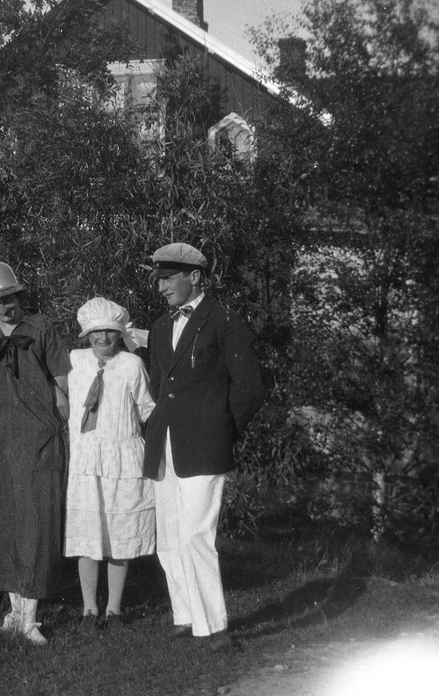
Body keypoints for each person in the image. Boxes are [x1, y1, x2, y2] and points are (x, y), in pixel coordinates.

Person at [141, 242, 267, 652]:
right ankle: (186, 616)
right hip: (165, 443)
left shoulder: (224, 320)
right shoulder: (160, 326)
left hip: (205, 444)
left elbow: (250, 388)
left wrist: (223, 430)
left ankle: (215, 627)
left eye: (168, 278)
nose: (161, 287)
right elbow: (159, 386)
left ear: (195, 277)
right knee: (169, 536)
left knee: (196, 534)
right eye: (158, 280)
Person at [0, 262, 70, 645]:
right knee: (4, 524)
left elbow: (64, 385)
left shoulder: (41, 328)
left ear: (18, 295)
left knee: (35, 526)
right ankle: (14, 612)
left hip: (37, 440)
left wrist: (58, 409)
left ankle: (30, 617)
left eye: (7, 299)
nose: (3, 309)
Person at [65, 296, 156, 633]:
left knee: (121, 533)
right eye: (96, 332)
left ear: (119, 333)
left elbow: (147, 409)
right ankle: (89, 609)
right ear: (86, 334)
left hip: (123, 459)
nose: (103, 338)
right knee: (86, 534)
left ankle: (114, 608)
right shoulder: (74, 362)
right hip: (86, 458)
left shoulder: (131, 364)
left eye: (109, 332)